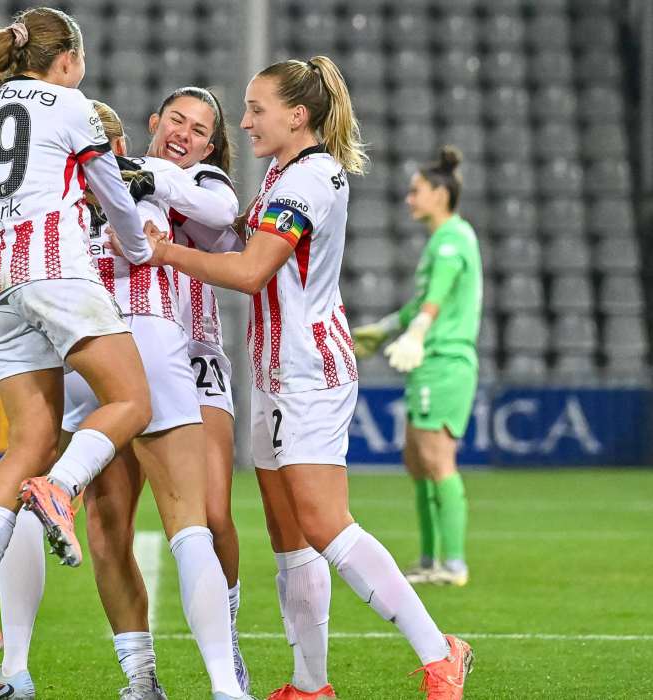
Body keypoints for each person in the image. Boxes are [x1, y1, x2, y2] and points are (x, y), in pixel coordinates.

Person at [129, 57, 474, 700]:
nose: (245, 122)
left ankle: (439, 650)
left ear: (297, 115)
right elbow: (245, 240)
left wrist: (165, 249)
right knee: (289, 535)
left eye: (256, 109)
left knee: (324, 522)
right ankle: (310, 685)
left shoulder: (308, 179)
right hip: (273, 369)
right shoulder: (283, 172)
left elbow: (250, 271)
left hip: (309, 368)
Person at [0, 98, 250, 700]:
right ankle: (224, 685)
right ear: (128, 139)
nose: (183, 134)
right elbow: (205, 222)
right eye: (176, 121)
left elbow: (220, 209)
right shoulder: (142, 175)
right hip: (146, 337)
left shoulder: (61, 189)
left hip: (81, 344)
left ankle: (30, 669)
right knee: (186, 524)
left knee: (96, 522)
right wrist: (142, 184)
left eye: (198, 129)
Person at [0, 6, 159, 655]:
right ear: (68, 60)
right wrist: (137, 248)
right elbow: (111, 193)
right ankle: (61, 489)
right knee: (131, 402)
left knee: (29, 440)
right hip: (53, 267)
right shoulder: (70, 104)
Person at [351, 146, 480, 587]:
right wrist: (386, 329)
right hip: (431, 362)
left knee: (437, 459)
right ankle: (429, 559)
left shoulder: (452, 238)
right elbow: (420, 302)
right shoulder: (441, 240)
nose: (409, 199)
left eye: (416, 191)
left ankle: (454, 564)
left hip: (444, 360)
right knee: (416, 460)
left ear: (440, 195)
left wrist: (419, 331)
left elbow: (438, 294)